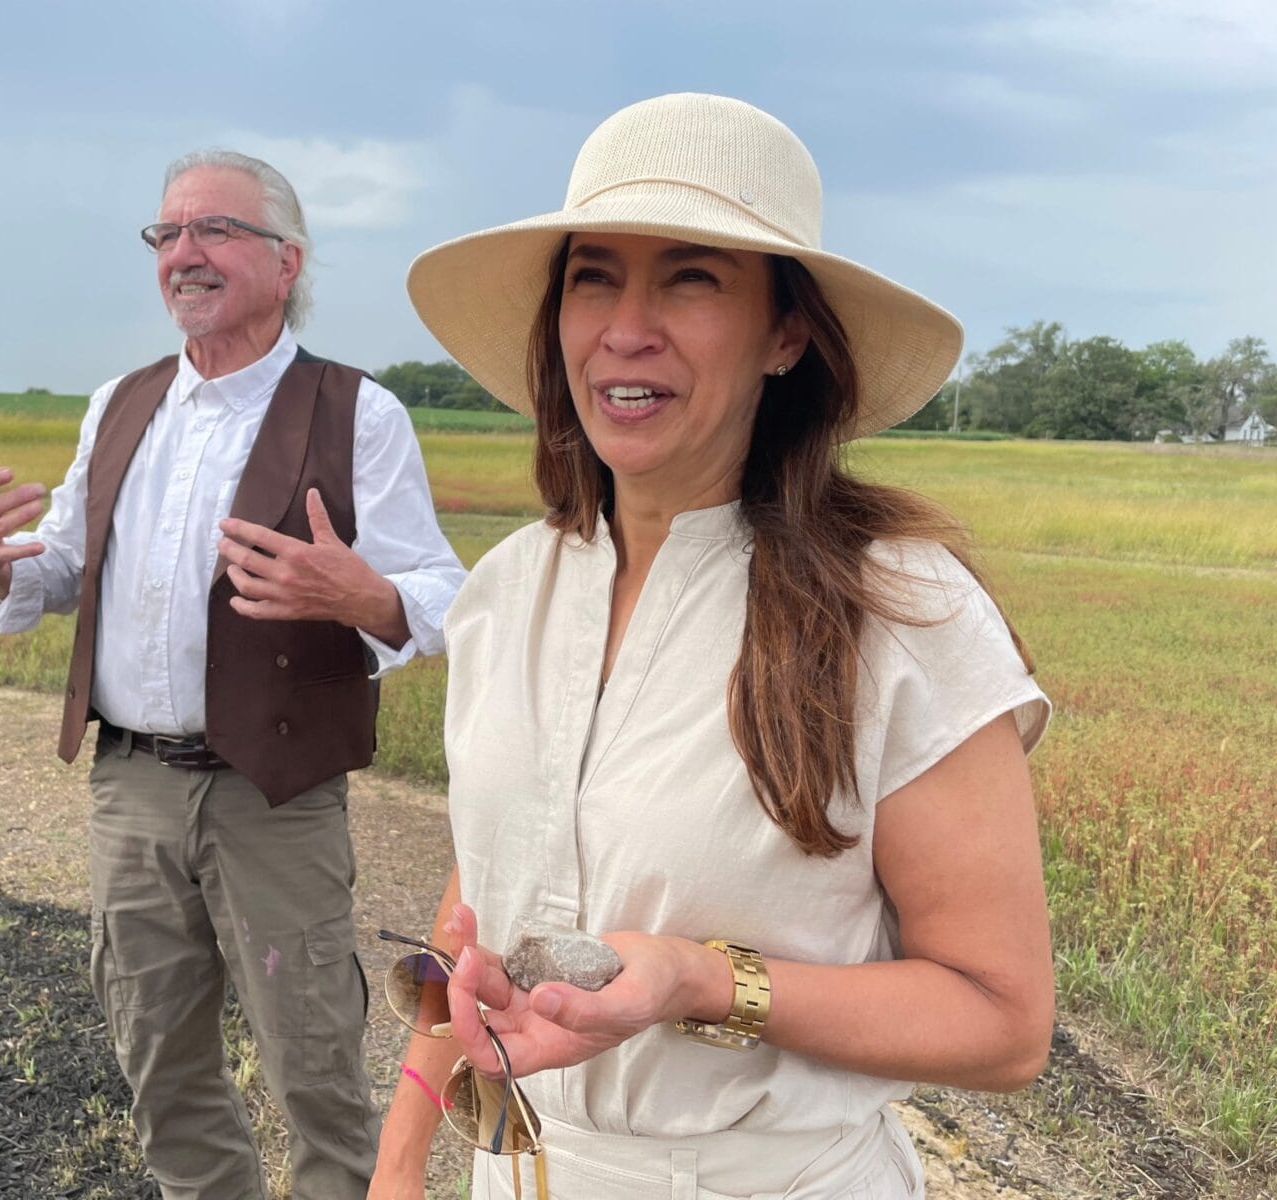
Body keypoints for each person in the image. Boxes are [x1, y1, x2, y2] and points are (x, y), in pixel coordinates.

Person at [369, 94, 1054, 1199]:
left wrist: (699, 981)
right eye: (594, 275)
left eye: (690, 277)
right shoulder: (508, 592)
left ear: (787, 332)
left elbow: (1003, 1022)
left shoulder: (897, 610)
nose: (624, 327)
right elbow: (482, 898)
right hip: (521, 1175)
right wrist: (400, 1163)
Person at [0, 149, 466, 1200]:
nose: (184, 253)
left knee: (313, 1065)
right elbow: (66, 566)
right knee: (158, 1058)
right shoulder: (121, 404)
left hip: (274, 793)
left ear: (287, 262)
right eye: (166, 234)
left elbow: (443, 593)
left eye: (215, 230)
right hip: (128, 786)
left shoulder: (356, 412)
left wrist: (358, 595)